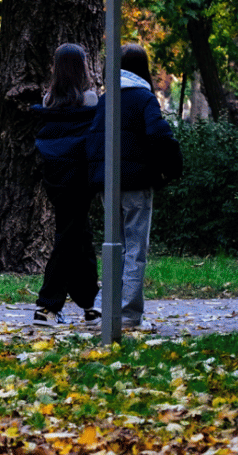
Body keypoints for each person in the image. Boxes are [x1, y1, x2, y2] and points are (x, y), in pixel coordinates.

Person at [89, 44, 182, 330]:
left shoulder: (106, 99)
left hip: (108, 183)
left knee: (113, 246)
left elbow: (94, 139)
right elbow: (159, 135)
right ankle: (128, 312)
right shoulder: (144, 97)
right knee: (135, 249)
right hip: (137, 183)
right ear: (143, 68)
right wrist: (172, 168)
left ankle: (104, 307)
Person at [31, 43, 101, 327]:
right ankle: (47, 305)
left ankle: (89, 302)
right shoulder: (90, 100)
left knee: (80, 235)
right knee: (69, 237)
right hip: (80, 176)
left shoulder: (48, 100)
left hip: (55, 176)